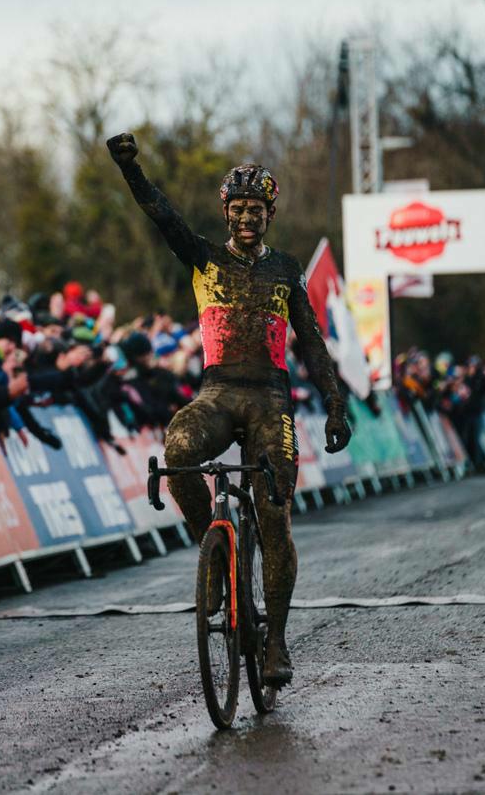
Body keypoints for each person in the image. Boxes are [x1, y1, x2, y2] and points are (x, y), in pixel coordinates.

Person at [107, 132, 351, 687]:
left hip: (271, 401)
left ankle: (277, 644)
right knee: (179, 449)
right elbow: (161, 215)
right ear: (226, 212)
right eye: (239, 209)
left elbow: (312, 344)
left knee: (273, 517)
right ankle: (215, 556)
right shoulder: (204, 256)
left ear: (270, 214)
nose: (247, 218)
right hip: (218, 394)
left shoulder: (287, 270)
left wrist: (334, 406)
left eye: (257, 210)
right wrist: (131, 171)